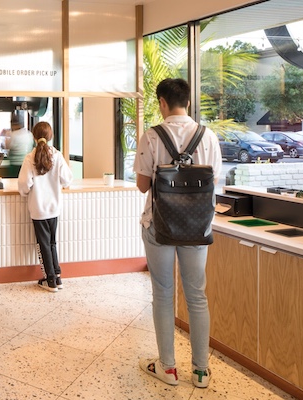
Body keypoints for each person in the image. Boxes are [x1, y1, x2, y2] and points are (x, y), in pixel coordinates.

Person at [133, 78, 222, 388]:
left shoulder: (151, 137)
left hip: (159, 224)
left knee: (163, 293)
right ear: (187, 101)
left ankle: (168, 368)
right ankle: (200, 371)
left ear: (162, 103)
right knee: (197, 296)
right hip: (198, 227)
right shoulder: (208, 136)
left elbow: (143, 185)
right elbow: (215, 181)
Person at [18, 122, 73, 292]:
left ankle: (50, 280)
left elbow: (24, 184)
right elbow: (67, 180)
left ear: (34, 137)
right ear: (51, 136)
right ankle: (57, 277)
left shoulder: (30, 157)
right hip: (54, 207)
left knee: (44, 244)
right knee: (52, 243)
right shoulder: (57, 155)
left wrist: (24, 192)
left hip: (38, 208)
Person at [6, 111, 34, 177]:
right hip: (27, 163)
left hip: (15, 165)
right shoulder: (29, 134)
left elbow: (8, 146)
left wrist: (6, 137)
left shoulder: (13, 135)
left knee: (14, 182)